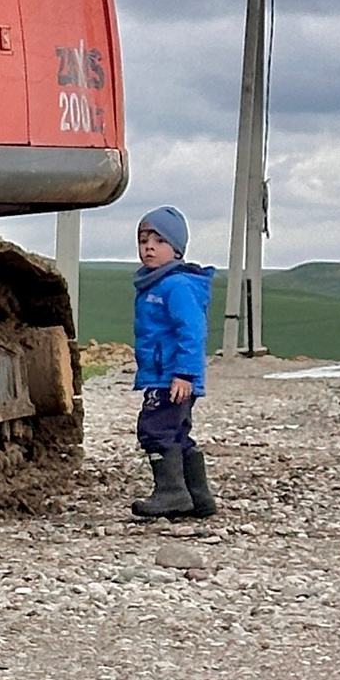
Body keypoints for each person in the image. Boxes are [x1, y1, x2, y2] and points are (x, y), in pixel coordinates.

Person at [131, 204, 217, 520]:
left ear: (177, 249)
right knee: (178, 434)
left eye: (159, 241)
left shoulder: (176, 286)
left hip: (171, 378)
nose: (149, 247)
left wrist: (184, 373)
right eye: (143, 240)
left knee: (154, 430)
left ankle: (171, 493)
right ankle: (198, 498)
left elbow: (192, 331)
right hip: (165, 375)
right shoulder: (156, 283)